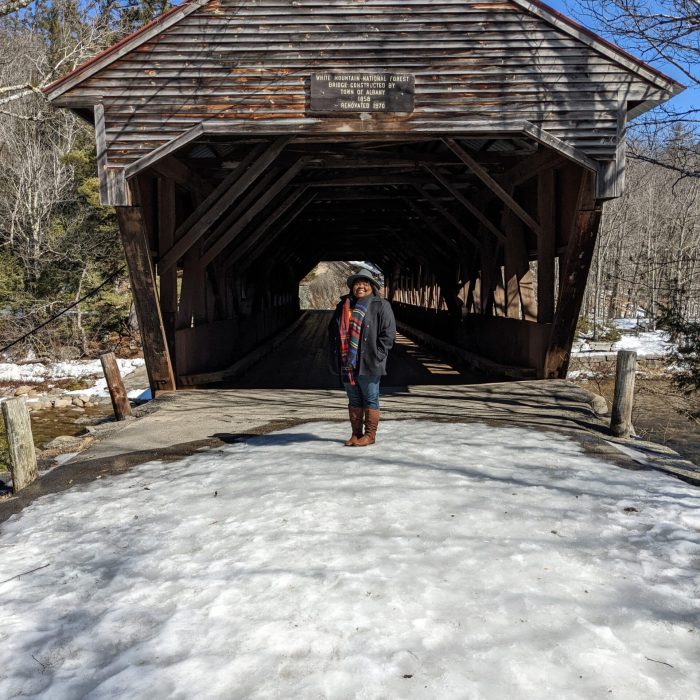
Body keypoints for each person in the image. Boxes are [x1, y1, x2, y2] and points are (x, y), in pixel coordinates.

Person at [328, 267, 396, 447]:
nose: (361, 287)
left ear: (372, 286)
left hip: (369, 362)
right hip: (347, 363)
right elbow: (332, 331)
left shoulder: (380, 305)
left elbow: (388, 334)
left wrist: (379, 355)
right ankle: (356, 434)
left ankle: (370, 436)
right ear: (352, 287)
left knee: (371, 398)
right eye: (357, 283)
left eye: (365, 283)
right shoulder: (343, 306)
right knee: (354, 399)